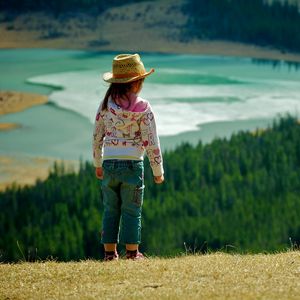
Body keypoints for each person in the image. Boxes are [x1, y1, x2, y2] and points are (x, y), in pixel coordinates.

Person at [93, 53, 164, 261]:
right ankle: (132, 253)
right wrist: (158, 171)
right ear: (137, 82)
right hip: (133, 165)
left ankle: (109, 254)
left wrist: (98, 163)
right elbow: (152, 142)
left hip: (109, 164)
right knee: (132, 209)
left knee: (110, 209)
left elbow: (97, 136)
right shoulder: (143, 108)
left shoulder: (106, 106)